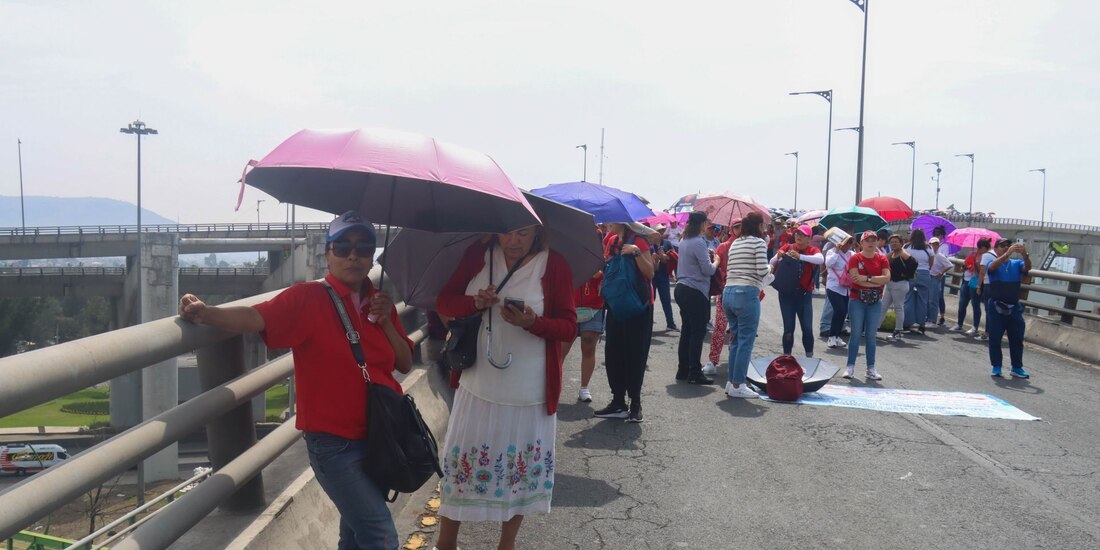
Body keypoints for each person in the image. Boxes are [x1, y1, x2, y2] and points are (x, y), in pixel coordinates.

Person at [178, 211, 413, 549]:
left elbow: (404, 362)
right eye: (343, 245)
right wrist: (208, 313)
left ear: (372, 254)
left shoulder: (380, 303)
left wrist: (386, 320)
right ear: (327, 254)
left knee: (356, 535)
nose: (353, 255)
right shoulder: (308, 298)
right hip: (335, 446)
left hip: (379, 436)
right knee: (381, 535)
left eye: (363, 247)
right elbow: (257, 316)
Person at [434, 224, 577, 550]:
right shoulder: (478, 254)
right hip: (477, 386)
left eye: (523, 233)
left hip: (530, 391)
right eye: (507, 232)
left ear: (538, 234)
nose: (514, 240)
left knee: (519, 474)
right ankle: (446, 542)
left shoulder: (554, 265)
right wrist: (474, 303)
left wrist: (533, 323)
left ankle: (506, 544)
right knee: (461, 467)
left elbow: (569, 326)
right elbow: (444, 301)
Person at [595, 221, 657, 421]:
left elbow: (649, 273)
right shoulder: (611, 240)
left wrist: (636, 252)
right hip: (616, 304)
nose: (606, 223)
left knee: (635, 355)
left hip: (639, 306)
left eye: (610, 220)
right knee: (613, 353)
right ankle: (618, 402)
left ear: (621, 221)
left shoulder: (638, 240)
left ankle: (635, 404)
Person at [723, 212, 771, 398]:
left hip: (729, 292)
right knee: (745, 341)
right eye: (763, 225)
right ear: (758, 226)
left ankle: (732, 382)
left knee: (736, 340)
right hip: (746, 293)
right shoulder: (758, 243)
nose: (765, 228)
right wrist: (771, 267)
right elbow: (761, 270)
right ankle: (738, 384)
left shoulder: (736, 242)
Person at [673, 211, 720, 385]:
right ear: (702, 224)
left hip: (682, 288)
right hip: (695, 290)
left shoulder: (684, 240)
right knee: (697, 332)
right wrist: (716, 260)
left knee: (687, 330)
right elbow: (708, 270)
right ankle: (694, 371)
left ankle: (683, 369)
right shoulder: (698, 242)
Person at [770, 225, 824, 357]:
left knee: (807, 329)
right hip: (787, 294)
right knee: (788, 329)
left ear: (809, 238)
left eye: (803, 235)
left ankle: (809, 357)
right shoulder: (788, 247)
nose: (799, 236)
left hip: (804, 295)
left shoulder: (812, 249)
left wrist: (800, 257)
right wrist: (778, 256)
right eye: (797, 233)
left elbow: (820, 259)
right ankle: (786, 358)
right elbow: (772, 261)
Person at [845, 230, 891, 381]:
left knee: (871, 336)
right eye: (867, 240)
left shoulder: (882, 258)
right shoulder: (855, 258)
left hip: (875, 301)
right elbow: (855, 279)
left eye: (874, 240)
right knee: (856, 334)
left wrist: (867, 278)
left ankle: (870, 368)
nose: (871, 243)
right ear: (861, 243)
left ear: (877, 242)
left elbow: (887, 279)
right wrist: (875, 280)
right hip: (857, 299)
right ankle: (850, 366)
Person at [984, 239, 1032, 378]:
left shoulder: (1016, 264)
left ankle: (1016, 367)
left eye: (1008, 246)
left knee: (1016, 338)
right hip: (996, 305)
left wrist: (1025, 255)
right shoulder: (992, 262)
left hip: (1014, 306)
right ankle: (997, 366)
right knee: (995, 337)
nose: (1006, 248)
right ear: (996, 248)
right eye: (1003, 246)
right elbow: (991, 268)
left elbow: (1027, 268)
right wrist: (1006, 255)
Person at [704, 218, 742, 375]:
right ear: (731, 228)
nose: (740, 230)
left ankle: (736, 361)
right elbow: (716, 269)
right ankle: (713, 361)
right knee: (720, 327)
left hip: (742, 293)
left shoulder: (748, 245)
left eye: (742, 227)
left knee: (738, 330)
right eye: (737, 227)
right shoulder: (723, 246)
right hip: (725, 291)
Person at [564, 268, 604, 403]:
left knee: (588, 349)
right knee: (560, 351)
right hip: (568, 308)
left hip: (593, 308)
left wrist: (598, 276)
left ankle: (584, 388)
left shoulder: (597, 255)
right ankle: (553, 385)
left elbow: (606, 282)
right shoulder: (565, 256)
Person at [880, 234, 918, 343]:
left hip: (900, 284)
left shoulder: (903, 253)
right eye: (891, 242)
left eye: (896, 241)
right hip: (890, 284)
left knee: (898, 308)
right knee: (883, 306)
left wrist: (905, 274)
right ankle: (873, 329)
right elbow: (882, 262)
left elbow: (914, 263)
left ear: (901, 243)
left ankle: (898, 332)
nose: (893, 244)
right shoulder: (891, 254)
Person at [950, 238, 991, 336]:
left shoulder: (985, 257)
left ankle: (975, 327)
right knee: (962, 303)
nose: (987, 250)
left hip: (975, 282)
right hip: (966, 281)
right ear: (981, 247)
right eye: (986, 248)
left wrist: (976, 263)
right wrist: (965, 266)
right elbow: (963, 267)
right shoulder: (971, 254)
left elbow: (982, 271)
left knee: (975, 305)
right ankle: (959, 324)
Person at [902, 228, 935, 334]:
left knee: (907, 299)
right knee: (923, 300)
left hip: (910, 273)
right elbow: (931, 263)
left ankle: (907, 324)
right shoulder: (928, 247)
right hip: (924, 274)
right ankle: (921, 324)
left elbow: (902, 260)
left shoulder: (907, 247)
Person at [824, 236, 854, 348]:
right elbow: (829, 264)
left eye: (849, 243)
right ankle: (831, 337)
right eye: (845, 243)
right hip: (834, 286)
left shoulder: (852, 254)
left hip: (846, 288)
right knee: (839, 310)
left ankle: (837, 336)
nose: (847, 246)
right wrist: (836, 250)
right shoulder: (832, 252)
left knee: (844, 312)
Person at [649, 225, 678, 331]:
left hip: (664, 274)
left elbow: (673, 257)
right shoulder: (649, 245)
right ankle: (648, 322)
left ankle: (670, 323)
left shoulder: (667, 243)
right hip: (652, 275)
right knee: (651, 300)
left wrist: (666, 257)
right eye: (658, 231)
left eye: (661, 231)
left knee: (666, 300)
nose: (660, 233)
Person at [928, 236, 954, 326]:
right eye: (933, 244)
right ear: (929, 244)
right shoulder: (928, 254)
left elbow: (950, 265)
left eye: (936, 244)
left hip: (935, 278)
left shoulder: (940, 255)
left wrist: (941, 273)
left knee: (933, 300)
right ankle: (927, 318)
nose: (934, 246)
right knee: (928, 299)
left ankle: (932, 320)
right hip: (928, 277)